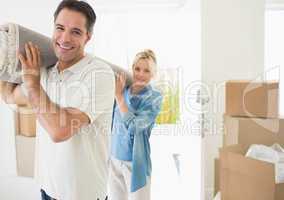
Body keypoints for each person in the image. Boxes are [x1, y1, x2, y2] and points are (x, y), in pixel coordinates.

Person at [0, 1, 115, 200]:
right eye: (60, 28)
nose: (65, 38)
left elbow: (59, 130)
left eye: (76, 32)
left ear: (88, 37)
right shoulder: (45, 71)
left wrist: (33, 84)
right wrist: (4, 64)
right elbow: (10, 95)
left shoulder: (99, 74)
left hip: (83, 196)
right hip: (48, 191)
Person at [108, 49, 163, 200]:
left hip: (135, 164)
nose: (140, 74)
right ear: (132, 68)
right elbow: (112, 121)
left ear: (153, 74)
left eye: (147, 71)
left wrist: (119, 98)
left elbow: (135, 127)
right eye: (137, 69)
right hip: (114, 158)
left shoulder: (154, 98)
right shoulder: (123, 89)